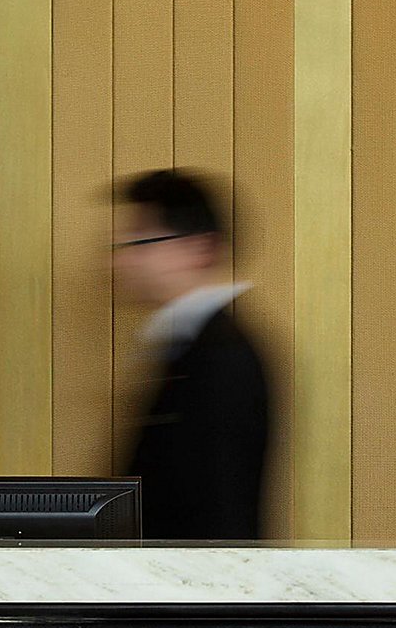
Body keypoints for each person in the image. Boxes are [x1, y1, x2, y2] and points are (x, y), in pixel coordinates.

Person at [112, 169, 275, 540]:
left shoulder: (222, 355)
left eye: (141, 241)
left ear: (200, 249)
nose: (124, 260)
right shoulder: (186, 344)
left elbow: (220, 506)